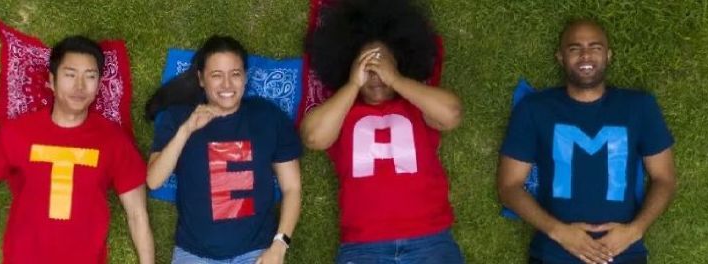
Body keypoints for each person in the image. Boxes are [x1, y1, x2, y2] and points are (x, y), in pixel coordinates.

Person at [0, 36, 155, 264]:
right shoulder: (18, 133)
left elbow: (137, 214)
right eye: (70, 75)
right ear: (51, 80)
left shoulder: (114, 141)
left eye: (90, 77)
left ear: (99, 84)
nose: (80, 86)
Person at [497, 19, 678, 264]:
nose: (585, 55)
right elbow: (509, 186)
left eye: (595, 47)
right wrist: (559, 232)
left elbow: (665, 178)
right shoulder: (534, 109)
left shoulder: (639, 106)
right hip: (554, 253)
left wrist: (635, 230)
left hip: (624, 252)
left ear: (608, 55)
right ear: (560, 57)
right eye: (574, 48)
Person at [300, 0, 465, 263]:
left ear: (399, 63)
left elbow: (452, 114)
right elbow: (312, 137)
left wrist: (397, 80)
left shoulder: (418, 104)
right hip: (363, 246)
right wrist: (354, 84)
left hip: (430, 240)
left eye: (383, 64)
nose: (376, 73)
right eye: (367, 65)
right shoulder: (341, 111)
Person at [144, 35, 302, 264]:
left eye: (235, 74)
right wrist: (186, 129)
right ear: (201, 79)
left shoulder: (267, 117)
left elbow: (292, 188)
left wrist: (280, 245)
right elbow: (154, 180)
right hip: (194, 254)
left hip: (256, 253)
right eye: (216, 75)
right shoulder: (178, 117)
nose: (227, 85)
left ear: (245, 77)